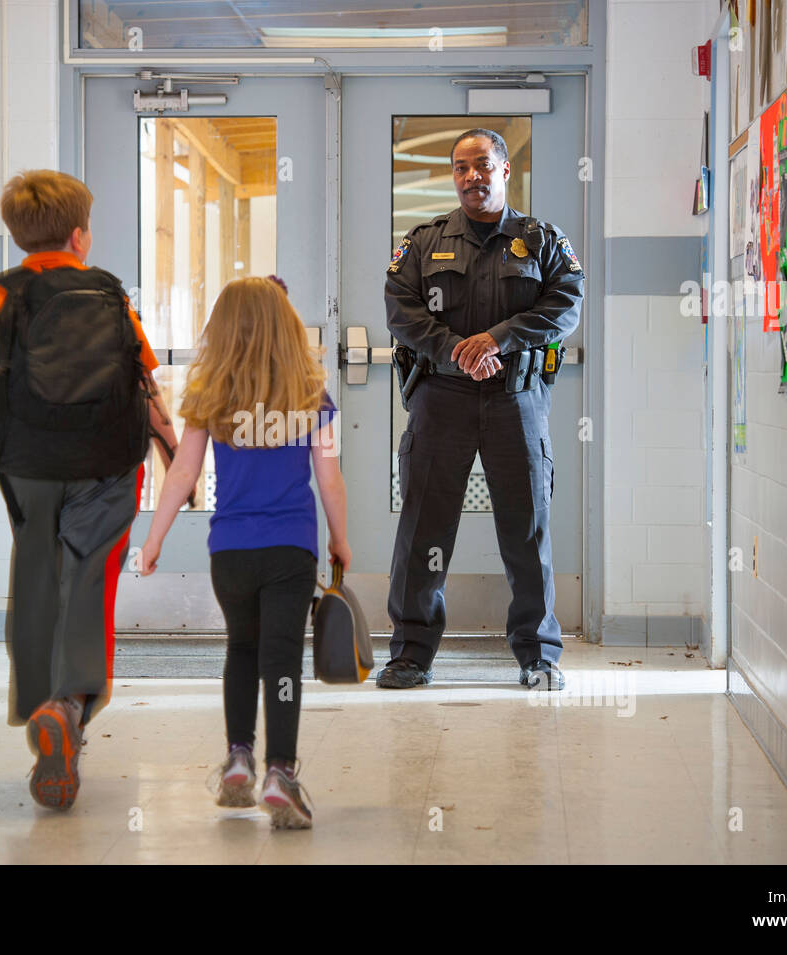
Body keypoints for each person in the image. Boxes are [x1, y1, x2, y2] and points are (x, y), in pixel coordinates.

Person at [0, 170, 180, 810]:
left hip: (25, 461)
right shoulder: (107, 294)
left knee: (37, 571)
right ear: (79, 236)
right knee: (88, 577)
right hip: (107, 460)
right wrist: (173, 447)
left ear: (19, 235)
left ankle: (41, 702)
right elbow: (143, 380)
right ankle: (68, 707)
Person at [139, 276, 349, 830]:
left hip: (229, 551)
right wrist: (340, 540)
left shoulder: (212, 397)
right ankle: (280, 772)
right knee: (281, 661)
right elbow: (330, 479)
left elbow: (183, 471)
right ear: (286, 327)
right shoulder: (312, 396)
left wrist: (154, 537)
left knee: (241, 650)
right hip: (291, 551)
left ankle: (238, 757)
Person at [381, 128, 584, 692]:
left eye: (482, 165)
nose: (472, 176)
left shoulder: (541, 239)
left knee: (527, 529)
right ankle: (410, 655)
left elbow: (566, 303)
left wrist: (496, 339)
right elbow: (400, 311)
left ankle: (539, 655)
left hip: (515, 397)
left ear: (504, 169)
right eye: (461, 167)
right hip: (440, 398)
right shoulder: (424, 242)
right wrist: (455, 350)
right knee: (424, 527)